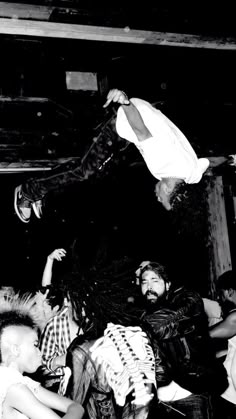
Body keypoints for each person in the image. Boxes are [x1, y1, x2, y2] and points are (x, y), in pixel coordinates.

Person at [14, 89, 235, 222]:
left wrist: (232, 159)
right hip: (125, 122)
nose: (157, 198)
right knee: (85, 172)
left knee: (95, 170)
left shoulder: (191, 175)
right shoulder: (163, 160)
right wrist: (124, 101)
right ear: (168, 189)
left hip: (143, 120)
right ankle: (28, 191)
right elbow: (140, 130)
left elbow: (209, 163)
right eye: (162, 199)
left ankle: (41, 186)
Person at [136, 261, 228, 418]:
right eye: (144, 281)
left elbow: (165, 322)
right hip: (164, 401)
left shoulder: (188, 300)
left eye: (155, 280)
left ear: (168, 284)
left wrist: (135, 331)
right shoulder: (145, 314)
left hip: (193, 394)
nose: (149, 286)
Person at [0, 307, 84, 419]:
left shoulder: (18, 381)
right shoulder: (14, 388)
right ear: (16, 350)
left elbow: (76, 406)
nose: (40, 353)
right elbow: (76, 408)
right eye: (35, 345)